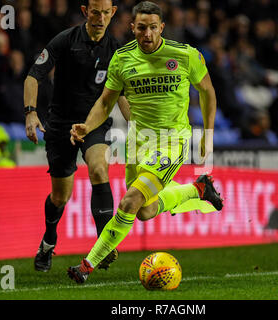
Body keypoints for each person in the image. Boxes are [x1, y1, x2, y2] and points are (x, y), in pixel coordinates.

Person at [67, 1, 223, 284]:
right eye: (141, 28)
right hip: (138, 143)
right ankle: (197, 189)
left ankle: (87, 265)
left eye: (153, 27)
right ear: (132, 28)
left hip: (171, 141)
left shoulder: (185, 55)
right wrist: (87, 125)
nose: (147, 34)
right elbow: (105, 101)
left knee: (129, 201)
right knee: (144, 211)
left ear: (161, 27)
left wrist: (208, 135)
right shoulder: (122, 58)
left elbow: (208, 91)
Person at [24, 0, 130, 273]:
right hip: (60, 127)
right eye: (95, 12)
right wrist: (31, 112)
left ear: (113, 13)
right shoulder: (65, 40)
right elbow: (33, 76)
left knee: (98, 169)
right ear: (85, 12)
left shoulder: (117, 50)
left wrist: (138, 126)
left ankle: (103, 245)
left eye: (106, 13)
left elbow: (123, 95)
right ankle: (48, 241)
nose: (100, 18)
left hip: (94, 124)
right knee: (60, 196)